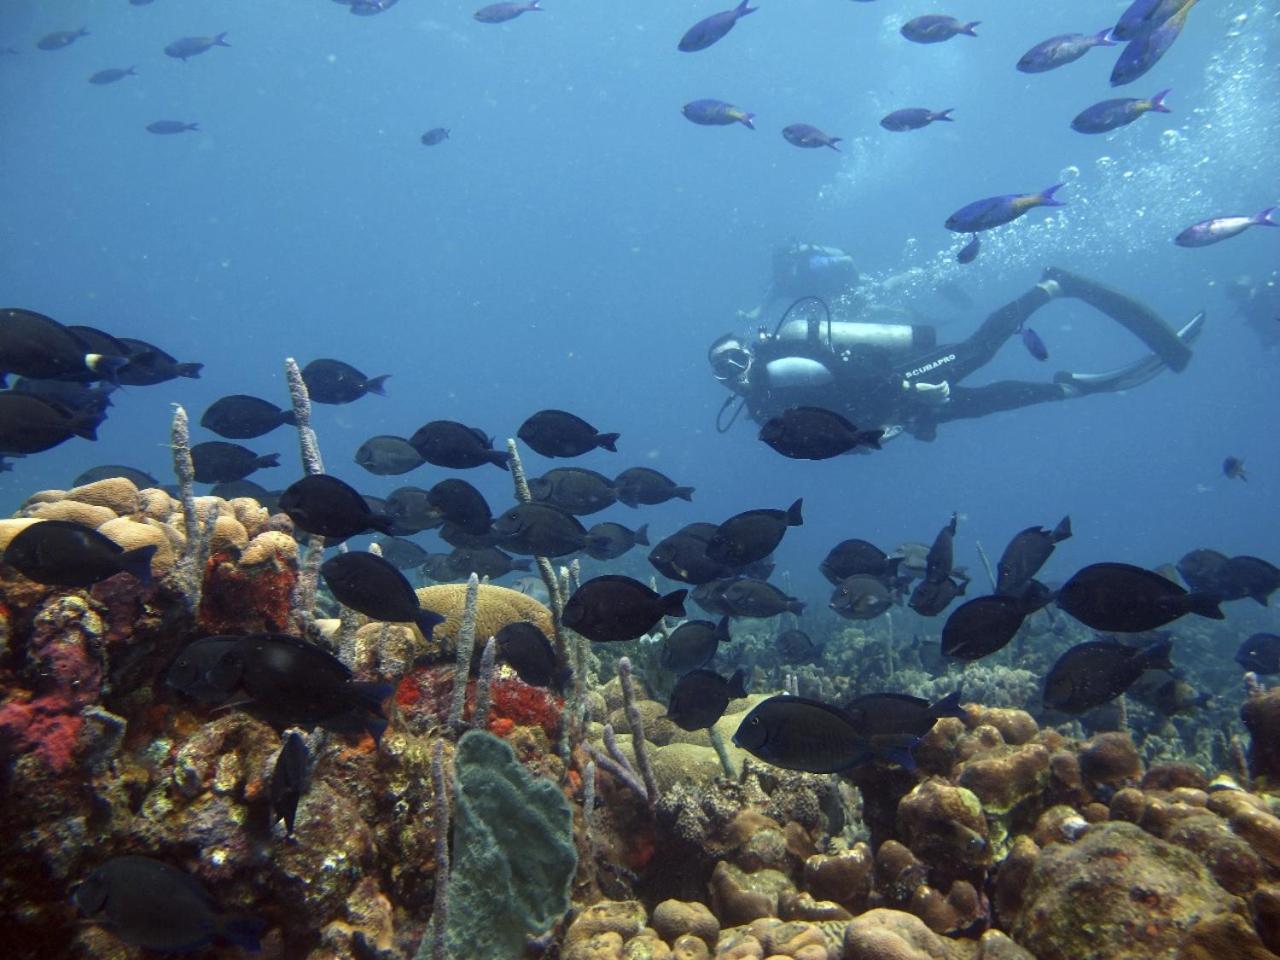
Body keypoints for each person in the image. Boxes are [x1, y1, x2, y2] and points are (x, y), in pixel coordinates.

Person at [710, 266, 1205, 441]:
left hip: (900, 382)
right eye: (722, 367)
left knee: (978, 349)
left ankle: (1054, 286)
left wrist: (906, 386)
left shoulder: (775, 371)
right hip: (898, 407)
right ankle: (1076, 387)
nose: (732, 369)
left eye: (734, 356)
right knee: (992, 401)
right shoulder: (757, 404)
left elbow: (847, 370)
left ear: (748, 353)